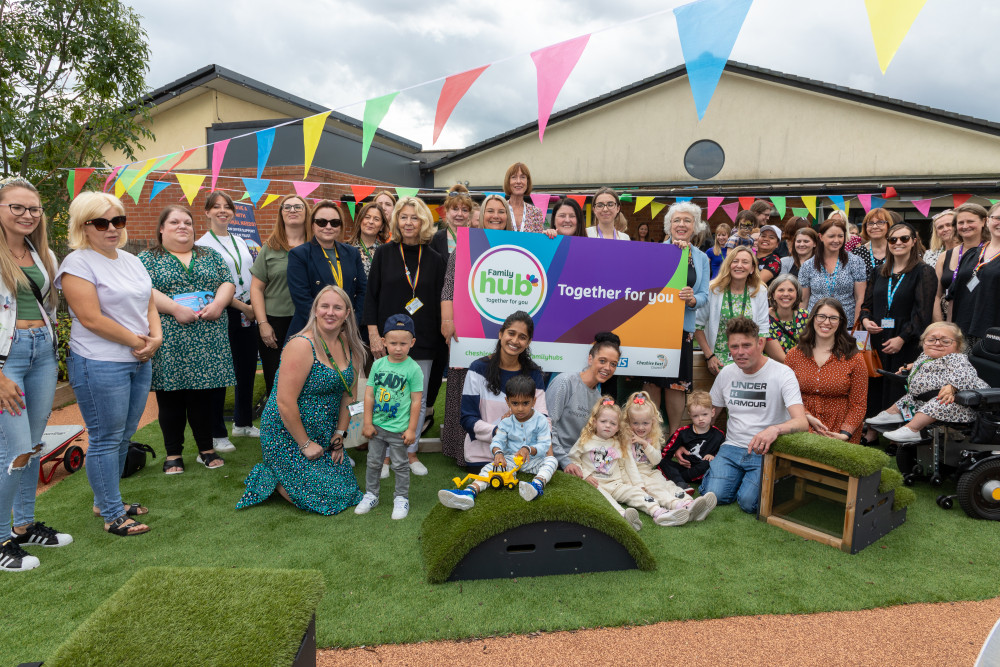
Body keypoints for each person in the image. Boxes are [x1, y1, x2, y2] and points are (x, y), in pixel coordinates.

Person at [57, 191, 159, 537]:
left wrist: (154, 339)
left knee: (124, 435)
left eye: (118, 220)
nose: (112, 228)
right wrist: (139, 343)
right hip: (100, 361)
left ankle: (106, 500)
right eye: (101, 222)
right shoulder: (77, 263)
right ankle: (113, 514)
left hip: (138, 358)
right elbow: (90, 318)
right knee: (105, 437)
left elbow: (148, 304)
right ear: (83, 226)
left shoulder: (130, 260)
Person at [236, 286, 365, 514]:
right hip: (287, 432)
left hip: (324, 431)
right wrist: (305, 444)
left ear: (347, 313)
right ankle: (269, 476)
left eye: (337, 307)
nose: (330, 312)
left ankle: (287, 472)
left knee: (348, 492)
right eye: (324, 306)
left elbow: (349, 395)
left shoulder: (350, 345)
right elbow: (284, 402)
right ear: (315, 310)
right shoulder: (301, 345)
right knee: (324, 501)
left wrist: (339, 435)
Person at [0, 177, 72, 571]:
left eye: (33, 209)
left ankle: (24, 525)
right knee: (15, 451)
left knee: (33, 444)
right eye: (17, 207)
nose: (27, 215)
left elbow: (52, 305)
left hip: (42, 352)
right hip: (6, 359)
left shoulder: (41, 253)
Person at [139, 205, 236, 474]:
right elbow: (143, 290)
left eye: (187, 222)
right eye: (174, 222)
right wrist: (174, 309)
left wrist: (218, 304)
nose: (183, 226)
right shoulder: (147, 259)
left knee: (204, 398)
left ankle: (206, 449)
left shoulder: (210, 255)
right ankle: (173, 453)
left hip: (208, 335)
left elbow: (227, 283)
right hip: (169, 337)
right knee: (171, 398)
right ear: (161, 228)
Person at [364, 197, 445, 476]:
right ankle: (386, 456)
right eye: (404, 217)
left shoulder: (435, 259)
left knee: (416, 399)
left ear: (423, 222)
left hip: (423, 340)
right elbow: (371, 297)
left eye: (415, 217)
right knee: (389, 396)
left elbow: (439, 301)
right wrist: (374, 334)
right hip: (390, 340)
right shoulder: (385, 254)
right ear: (396, 220)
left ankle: (410, 453)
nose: (409, 222)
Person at [699, 317, 808, 514]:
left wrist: (774, 429)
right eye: (734, 346)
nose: (740, 352)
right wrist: (690, 442)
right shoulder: (726, 373)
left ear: (760, 343)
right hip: (731, 447)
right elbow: (711, 415)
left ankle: (771, 480)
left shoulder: (783, 373)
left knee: (748, 503)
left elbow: (801, 422)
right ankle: (737, 478)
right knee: (714, 496)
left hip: (764, 450)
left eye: (746, 345)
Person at [440, 194, 513, 466]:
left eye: (501, 212)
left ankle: (503, 448)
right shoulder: (465, 246)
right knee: (465, 384)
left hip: (506, 331)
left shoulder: (521, 245)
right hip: (469, 331)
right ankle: (462, 450)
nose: (495, 216)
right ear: (480, 217)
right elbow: (449, 287)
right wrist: (447, 324)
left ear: (507, 217)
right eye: (490, 211)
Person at [196, 191, 258, 452]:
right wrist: (243, 306)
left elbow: (249, 274)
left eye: (227, 207)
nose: (223, 211)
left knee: (246, 368)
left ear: (233, 212)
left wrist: (252, 305)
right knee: (221, 372)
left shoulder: (241, 241)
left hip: (248, 310)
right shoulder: (202, 245)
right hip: (223, 310)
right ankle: (216, 432)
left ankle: (243, 423)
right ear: (207, 212)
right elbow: (212, 286)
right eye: (216, 207)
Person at [859, 222, 937, 432]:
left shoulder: (924, 271)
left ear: (914, 241)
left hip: (906, 339)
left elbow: (923, 313)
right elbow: (866, 306)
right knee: (875, 384)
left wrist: (902, 338)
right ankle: (873, 431)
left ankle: (899, 433)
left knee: (899, 387)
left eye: (904, 238)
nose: (898, 243)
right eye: (893, 239)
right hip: (878, 337)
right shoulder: (878, 272)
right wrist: (866, 321)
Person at [439, 374, 559, 509]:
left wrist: (528, 449)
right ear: (507, 402)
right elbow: (497, 441)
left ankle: (536, 485)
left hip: (535, 460)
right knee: (489, 468)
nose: (520, 408)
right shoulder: (506, 422)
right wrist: (498, 453)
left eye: (525, 403)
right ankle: (469, 492)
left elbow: (544, 445)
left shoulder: (541, 420)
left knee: (552, 461)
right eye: (515, 403)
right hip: (511, 460)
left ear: (534, 401)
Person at [569, 398, 688, 529]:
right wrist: (585, 475)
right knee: (604, 498)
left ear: (618, 427)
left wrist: (638, 485)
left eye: (613, 423)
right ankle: (623, 516)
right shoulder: (585, 440)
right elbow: (573, 460)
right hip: (596, 483)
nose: (608, 425)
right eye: (603, 421)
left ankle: (658, 512)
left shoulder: (619, 442)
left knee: (637, 493)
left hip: (617, 484)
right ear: (594, 421)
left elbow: (630, 465)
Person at [644, 201, 710, 435]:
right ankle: (650, 435)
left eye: (687, 220)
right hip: (654, 328)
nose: (681, 224)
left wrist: (693, 299)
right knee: (652, 383)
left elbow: (704, 295)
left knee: (676, 385)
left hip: (683, 327)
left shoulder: (702, 258)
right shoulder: (654, 252)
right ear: (668, 225)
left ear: (695, 227)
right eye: (676, 220)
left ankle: (673, 437)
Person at [867, 322, 989, 443]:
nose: (937, 343)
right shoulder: (926, 356)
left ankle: (913, 429)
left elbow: (966, 374)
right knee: (910, 398)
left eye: (945, 341)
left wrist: (952, 387)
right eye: (931, 340)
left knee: (940, 401)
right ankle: (893, 413)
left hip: (958, 403)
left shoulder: (957, 358)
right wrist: (911, 365)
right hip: (925, 397)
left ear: (958, 346)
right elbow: (926, 364)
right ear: (923, 342)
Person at [458, 311, 548, 467]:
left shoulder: (534, 374)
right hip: (483, 457)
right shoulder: (477, 369)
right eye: (511, 333)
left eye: (522, 337)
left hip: (523, 459)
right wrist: (500, 431)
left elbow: (544, 418)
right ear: (501, 334)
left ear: (528, 342)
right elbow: (467, 419)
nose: (515, 341)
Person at [355, 314, 423, 520]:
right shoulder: (378, 365)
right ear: (383, 342)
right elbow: (369, 395)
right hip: (377, 427)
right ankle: (371, 494)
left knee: (401, 465)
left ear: (412, 343)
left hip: (399, 429)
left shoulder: (414, 369)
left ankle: (401, 498)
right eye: (393, 343)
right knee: (373, 462)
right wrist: (367, 423)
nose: (398, 348)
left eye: (403, 343)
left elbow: (416, 402)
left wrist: (411, 429)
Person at [622, 391, 716, 522]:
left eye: (645, 423)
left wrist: (645, 444)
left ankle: (690, 503)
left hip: (649, 471)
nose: (641, 427)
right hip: (634, 475)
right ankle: (676, 505)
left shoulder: (652, 436)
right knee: (656, 489)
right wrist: (638, 484)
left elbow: (656, 460)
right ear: (628, 422)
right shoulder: (626, 439)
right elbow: (629, 464)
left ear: (653, 421)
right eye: (636, 423)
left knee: (667, 484)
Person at [250, 194, 310, 398]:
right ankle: (277, 427)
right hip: (274, 324)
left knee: (307, 378)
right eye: (287, 207)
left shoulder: (317, 246)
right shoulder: (270, 247)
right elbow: (256, 288)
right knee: (275, 379)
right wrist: (263, 323)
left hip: (308, 321)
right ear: (281, 213)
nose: (292, 210)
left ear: (306, 212)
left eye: (298, 206)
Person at [785, 299, 868, 443]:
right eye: (821, 316)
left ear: (840, 322)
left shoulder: (854, 358)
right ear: (813, 319)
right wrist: (806, 416)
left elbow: (859, 404)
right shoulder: (794, 355)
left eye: (833, 318)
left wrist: (845, 433)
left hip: (839, 430)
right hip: (802, 424)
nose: (827, 322)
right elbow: (785, 395)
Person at [287, 200, 366, 337]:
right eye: (322, 222)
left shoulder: (352, 253)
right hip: (312, 329)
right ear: (312, 225)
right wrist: (329, 324)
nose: (328, 227)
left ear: (340, 226)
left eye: (334, 223)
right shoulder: (299, 255)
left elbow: (362, 291)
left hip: (348, 330)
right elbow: (301, 297)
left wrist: (351, 323)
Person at [547, 332, 621, 478]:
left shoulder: (599, 399)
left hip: (582, 461)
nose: (607, 368)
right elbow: (546, 427)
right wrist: (565, 461)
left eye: (613, 364)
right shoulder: (565, 382)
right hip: (557, 461)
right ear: (590, 359)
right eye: (602, 361)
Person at [694, 246, 773, 375]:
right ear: (728, 265)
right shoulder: (713, 289)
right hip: (719, 358)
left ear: (752, 268)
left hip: (750, 356)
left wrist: (755, 358)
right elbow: (697, 325)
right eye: (735, 261)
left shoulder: (760, 291)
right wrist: (709, 356)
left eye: (745, 262)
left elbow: (763, 330)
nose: (739, 265)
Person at [798, 217, 867, 325]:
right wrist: (802, 326)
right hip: (816, 323)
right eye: (831, 236)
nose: (836, 240)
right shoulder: (808, 265)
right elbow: (804, 300)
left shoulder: (855, 262)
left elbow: (860, 298)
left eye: (840, 236)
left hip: (845, 323)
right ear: (821, 237)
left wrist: (857, 325)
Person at [950, 203, 1000, 349]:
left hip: (993, 335)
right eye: (997, 218)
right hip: (963, 331)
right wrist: (950, 328)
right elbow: (954, 294)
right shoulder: (972, 254)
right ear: (988, 220)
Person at [658, 391, 725, 491]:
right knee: (661, 460)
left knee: (708, 464)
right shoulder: (682, 433)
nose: (701, 419)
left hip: (704, 471)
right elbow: (665, 454)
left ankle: (677, 479)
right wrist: (674, 453)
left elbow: (723, 456)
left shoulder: (719, 435)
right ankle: (680, 483)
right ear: (690, 415)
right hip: (686, 468)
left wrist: (714, 457)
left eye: (704, 414)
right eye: (696, 416)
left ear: (713, 412)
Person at [935, 203, 986, 322]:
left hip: (981, 320)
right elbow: (935, 296)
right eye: (961, 223)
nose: (965, 226)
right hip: (951, 320)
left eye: (970, 221)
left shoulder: (993, 252)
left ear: (984, 221)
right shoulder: (944, 256)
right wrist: (940, 326)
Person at [766, 274, 809, 362]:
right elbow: (782, 360)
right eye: (781, 290)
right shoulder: (764, 319)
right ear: (773, 295)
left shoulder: (805, 316)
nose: (786, 294)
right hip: (777, 369)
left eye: (790, 290)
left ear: (797, 294)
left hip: (804, 366)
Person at [852, 208, 894, 280]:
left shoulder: (897, 251)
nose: (875, 226)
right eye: (870, 223)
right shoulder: (857, 254)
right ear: (865, 227)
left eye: (880, 222)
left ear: (888, 225)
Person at [349, 202, 389, 276]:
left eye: (376, 219)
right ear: (360, 220)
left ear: (382, 226)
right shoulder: (346, 249)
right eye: (367, 217)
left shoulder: (386, 252)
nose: (371, 222)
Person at [504, 162, 545, 233]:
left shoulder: (536, 212)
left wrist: (548, 233)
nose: (518, 181)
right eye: (514, 177)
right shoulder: (501, 209)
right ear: (508, 182)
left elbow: (539, 241)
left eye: (523, 177)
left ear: (527, 182)